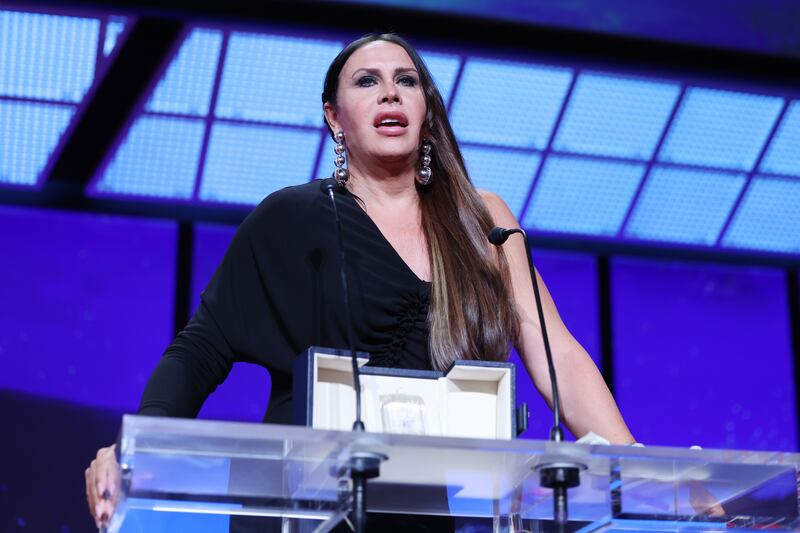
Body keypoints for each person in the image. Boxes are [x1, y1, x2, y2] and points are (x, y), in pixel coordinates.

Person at [85, 32, 634, 530]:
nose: (390, 93)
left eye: (407, 81)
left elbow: (556, 352)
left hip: (428, 513)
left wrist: (635, 465)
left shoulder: (481, 220)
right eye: (367, 81)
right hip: (302, 510)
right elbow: (201, 349)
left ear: (426, 111)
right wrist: (131, 448)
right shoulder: (291, 219)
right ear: (335, 117)